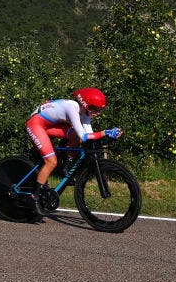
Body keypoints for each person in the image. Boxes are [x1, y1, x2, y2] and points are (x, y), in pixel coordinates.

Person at [24, 87, 121, 216]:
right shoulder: (72, 108)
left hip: (51, 125)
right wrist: (105, 132)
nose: (97, 112)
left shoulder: (86, 114)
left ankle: (66, 167)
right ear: (85, 104)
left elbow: (89, 136)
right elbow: (84, 136)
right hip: (36, 124)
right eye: (94, 108)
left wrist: (108, 137)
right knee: (51, 162)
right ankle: (34, 197)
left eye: (100, 110)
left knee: (75, 135)